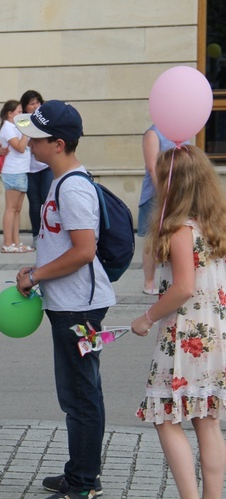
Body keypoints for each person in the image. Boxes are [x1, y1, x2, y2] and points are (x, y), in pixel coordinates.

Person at [15, 101, 115, 499]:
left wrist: (36, 275)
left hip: (79, 307)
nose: (29, 144)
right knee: (77, 392)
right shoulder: (62, 181)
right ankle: (81, 470)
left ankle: (83, 483)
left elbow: (83, 251)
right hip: (69, 303)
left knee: (81, 394)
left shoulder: (72, 186)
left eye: (36, 138)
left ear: (57, 144)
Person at [131, 146, 226, 499]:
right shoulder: (214, 223)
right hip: (214, 331)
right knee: (208, 421)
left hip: (186, 333)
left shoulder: (182, 229)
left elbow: (184, 287)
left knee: (166, 417)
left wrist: (147, 317)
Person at [138, 125, 188, 296]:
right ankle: (149, 282)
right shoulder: (153, 133)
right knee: (152, 238)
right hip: (155, 196)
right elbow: (152, 166)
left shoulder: (182, 133)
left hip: (179, 195)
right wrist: (163, 193)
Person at [0, 99, 32, 253]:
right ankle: (7, 243)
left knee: (17, 209)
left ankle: (16, 242)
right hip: (13, 171)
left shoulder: (15, 127)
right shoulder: (8, 127)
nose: (21, 115)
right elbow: (19, 147)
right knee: (11, 208)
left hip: (22, 170)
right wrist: (26, 131)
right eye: (18, 112)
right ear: (10, 114)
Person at [21, 90, 52, 245]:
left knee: (47, 200)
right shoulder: (21, 121)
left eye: (37, 103)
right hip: (29, 168)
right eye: (31, 103)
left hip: (46, 166)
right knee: (34, 202)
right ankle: (36, 235)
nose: (35, 106)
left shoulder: (44, 119)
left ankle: (48, 234)